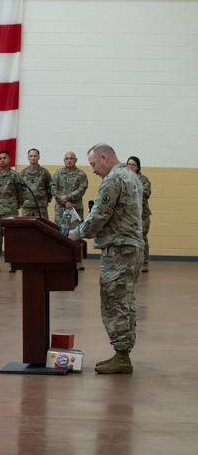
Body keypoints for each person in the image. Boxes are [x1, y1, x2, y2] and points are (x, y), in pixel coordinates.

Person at [68, 144, 144, 374]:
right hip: (131, 248)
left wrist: (76, 233)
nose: (93, 170)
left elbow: (99, 215)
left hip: (119, 250)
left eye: (93, 164)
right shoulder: (132, 176)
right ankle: (123, 353)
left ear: (103, 157)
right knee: (125, 302)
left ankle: (122, 356)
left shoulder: (113, 179)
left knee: (114, 302)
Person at [126, 156, 151, 272]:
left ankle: (144, 261)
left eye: (133, 165)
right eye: (129, 164)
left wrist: (132, 189)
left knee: (142, 237)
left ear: (138, 167)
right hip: (127, 215)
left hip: (142, 215)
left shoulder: (144, 180)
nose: (130, 167)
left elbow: (145, 193)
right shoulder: (123, 178)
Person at [51, 151, 89, 226]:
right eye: (67, 158)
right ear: (64, 160)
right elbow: (53, 188)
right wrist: (65, 202)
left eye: (71, 158)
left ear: (76, 160)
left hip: (75, 208)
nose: (69, 160)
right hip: (60, 209)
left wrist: (67, 197)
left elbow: (82, 189)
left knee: (75, 233)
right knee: (59, 233)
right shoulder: (58, 173)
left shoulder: (81, 174)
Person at [20, 148, 52, 218]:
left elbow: (50, 188)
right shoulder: (23, 173)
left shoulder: (45, 173)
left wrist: (46, 200)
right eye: (31, 156)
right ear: (28, 157)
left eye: (35, 156)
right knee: (26, 227)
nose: (33, 158)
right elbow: (20, 190)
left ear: (39, 157)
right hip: (27, 207)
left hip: (41, 207)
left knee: (43, 227)